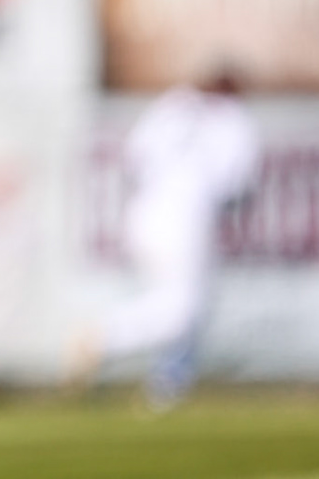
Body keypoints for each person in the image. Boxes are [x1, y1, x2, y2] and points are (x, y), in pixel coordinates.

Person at [74, 65, 260, 409]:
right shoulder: (232, 117)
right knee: (181, 310)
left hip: (145, 210)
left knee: (177, 302)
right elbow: (235, 183)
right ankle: (105, 337)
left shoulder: (174, 104)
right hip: (187, 217)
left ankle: (169, 389)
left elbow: (134, 155)